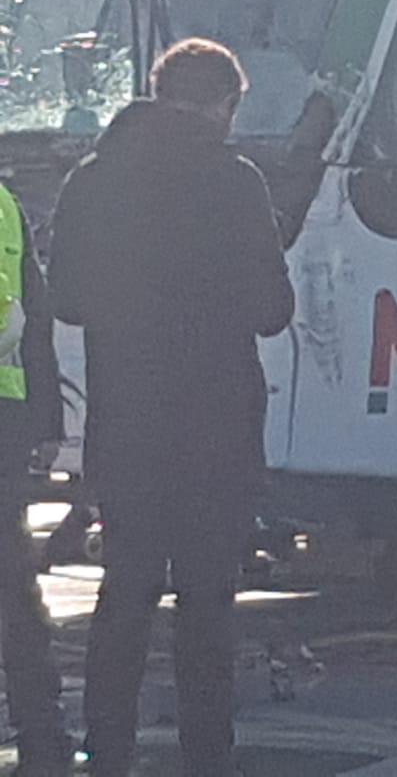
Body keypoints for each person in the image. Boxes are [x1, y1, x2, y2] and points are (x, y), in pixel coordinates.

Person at [50, 38, 295, 776]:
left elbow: (64, 299)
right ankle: (206, 755)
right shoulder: (236, 183)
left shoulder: (92, 181)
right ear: (224, 103)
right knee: (207, 603)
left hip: (126, 424)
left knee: (123, 593)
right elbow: (272, 309)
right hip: (216, 429)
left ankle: (108, 748)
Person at [0, 180, 70, 775]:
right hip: (4, 417)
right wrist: (47, 419)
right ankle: (43, 733)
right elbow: (36, 315)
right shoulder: (4, 205)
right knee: (10, 588)